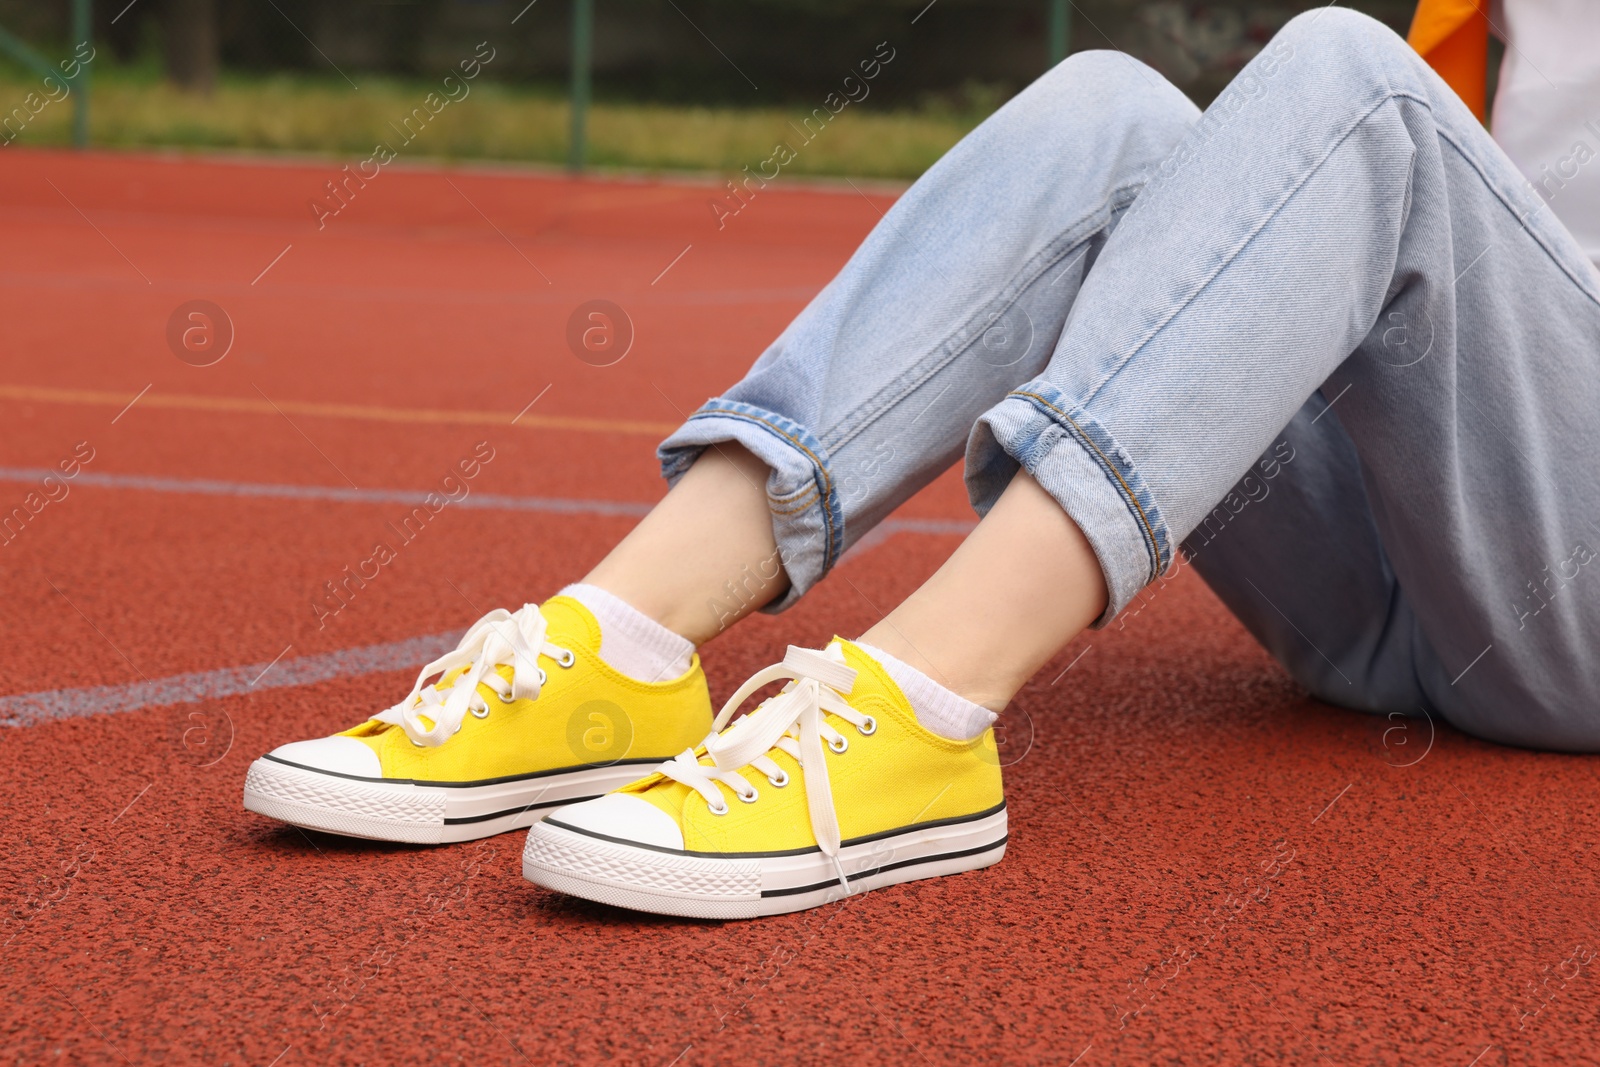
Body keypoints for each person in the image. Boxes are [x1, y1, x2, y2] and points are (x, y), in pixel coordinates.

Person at [242, 6, 1600, 919]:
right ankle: (623, 653)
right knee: (1109, 111)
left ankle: (927, 719)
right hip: (1422, 548)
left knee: (1353, 80)